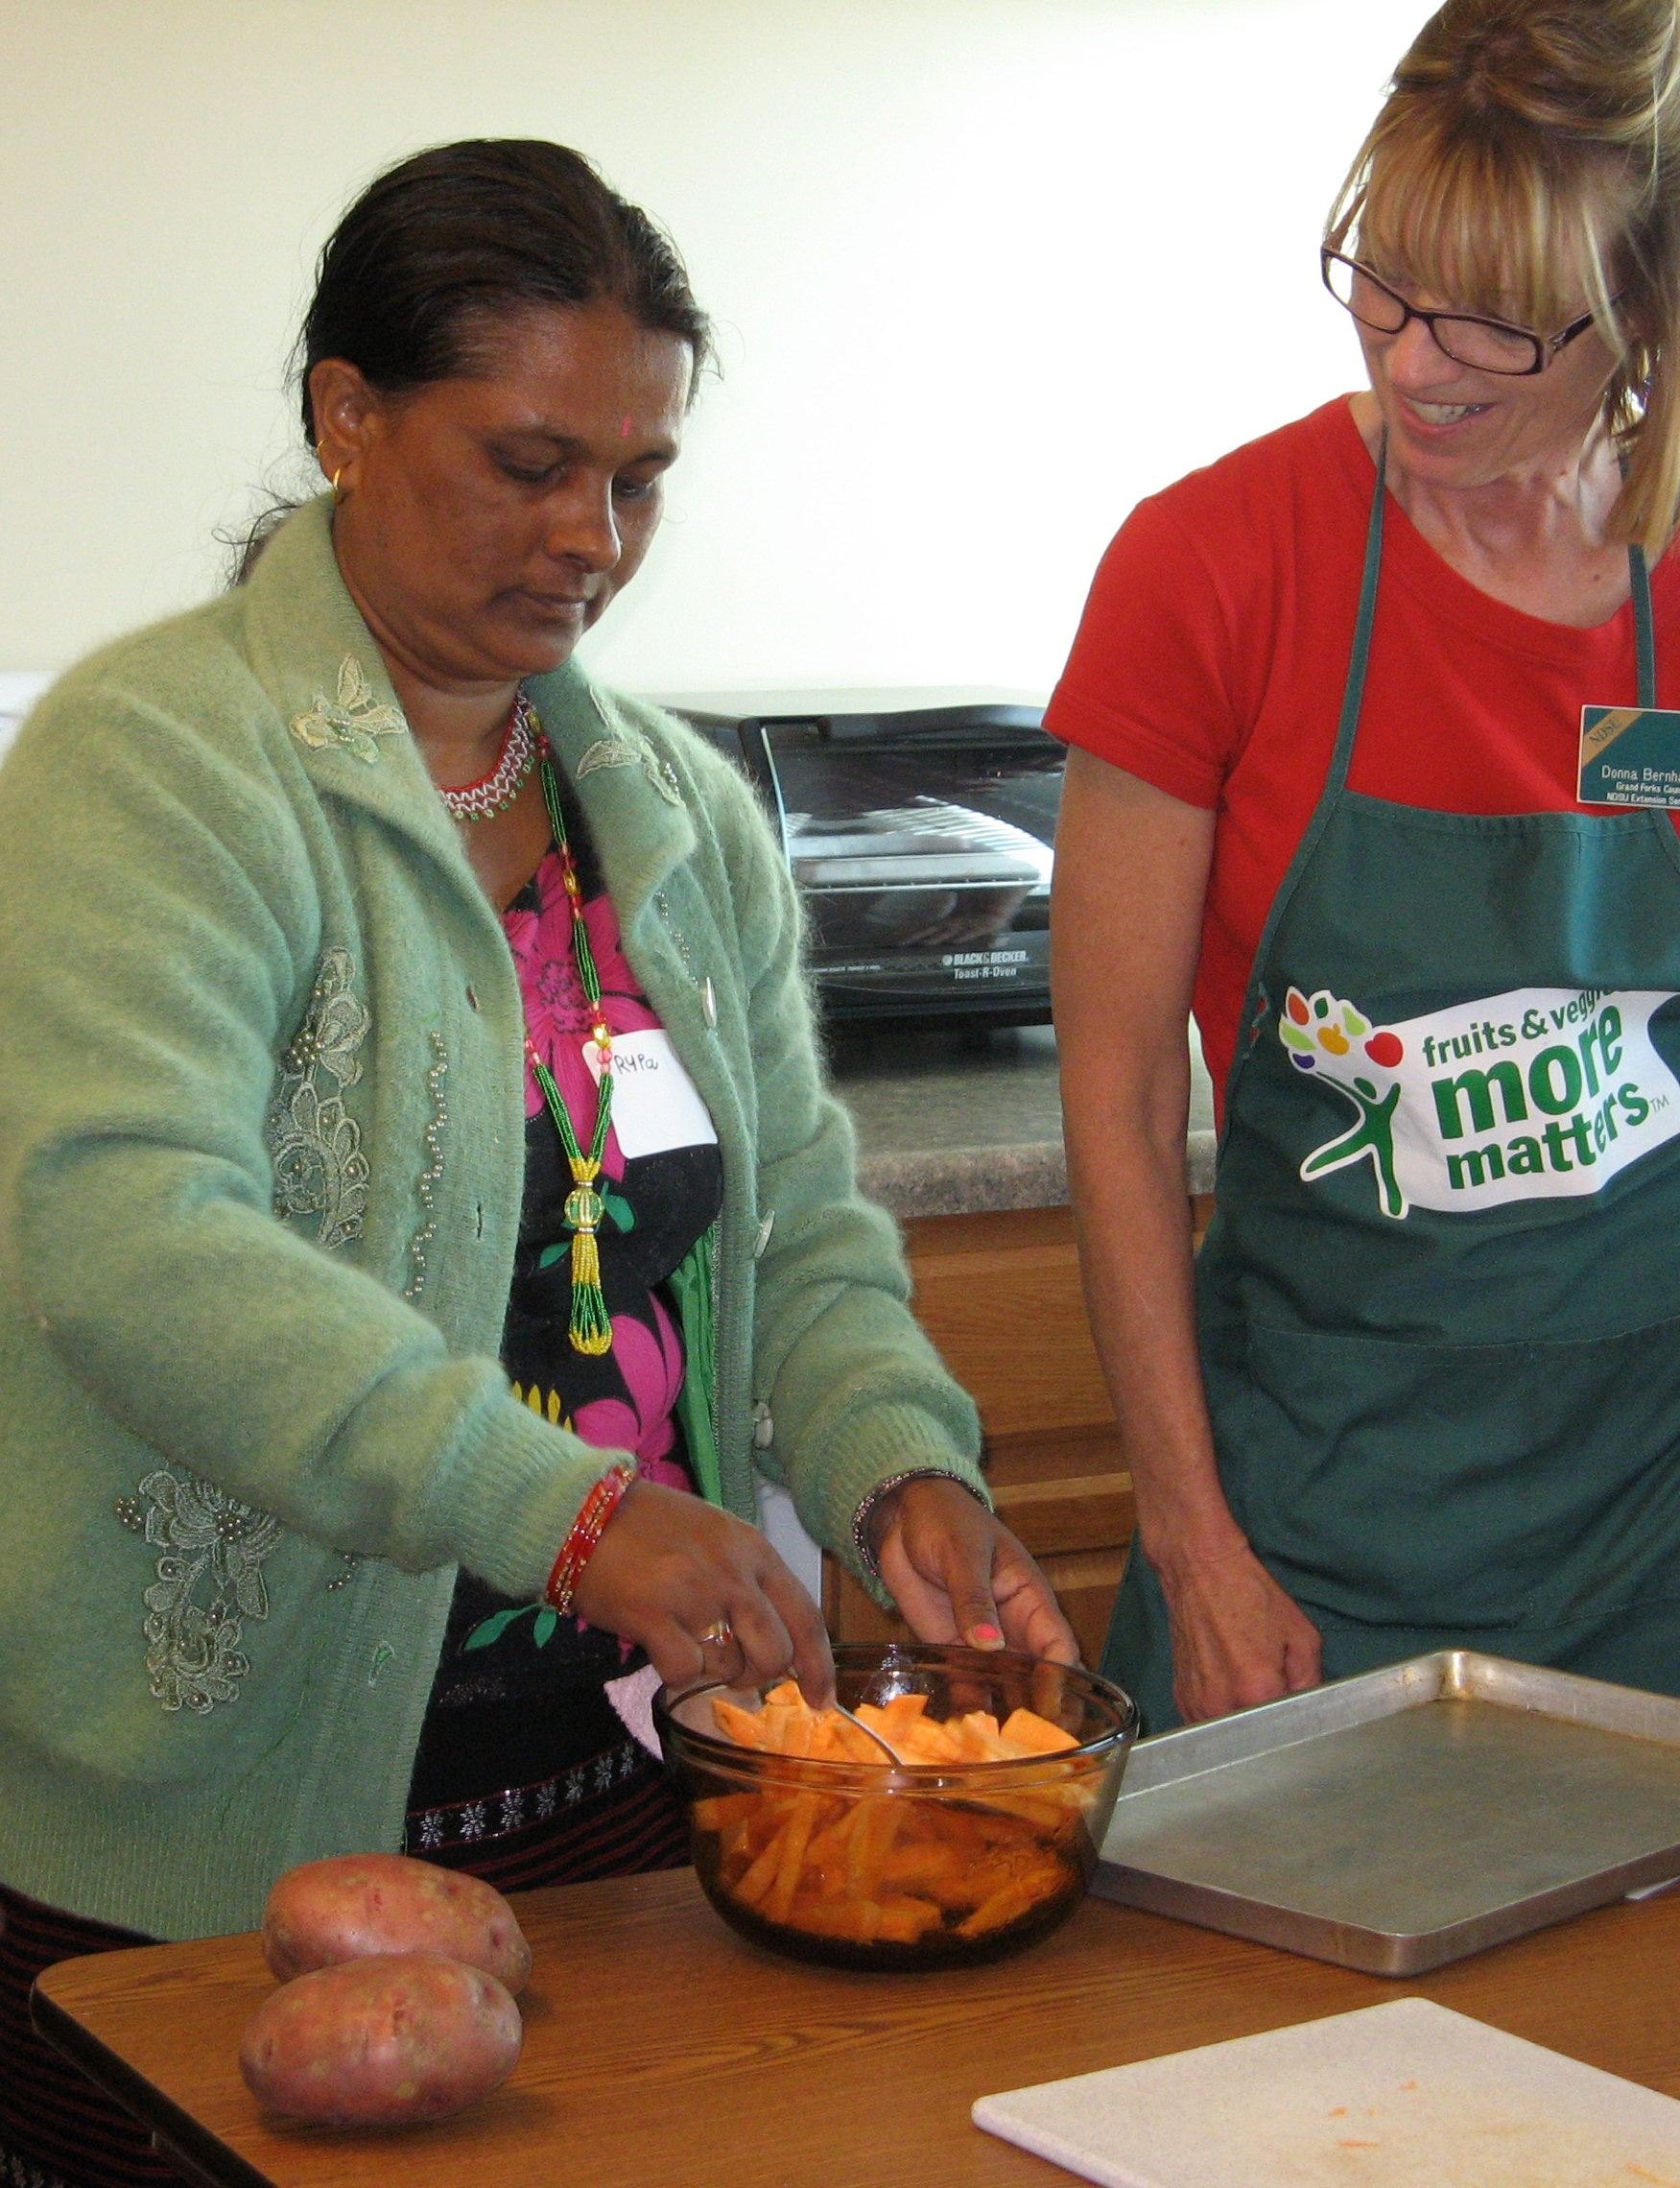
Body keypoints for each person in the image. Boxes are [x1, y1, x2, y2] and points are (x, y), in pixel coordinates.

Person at [0, 138, 1073, 2188]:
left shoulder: (669, 806)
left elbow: (801, 1231)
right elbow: (136, 1239)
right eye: (527, 461)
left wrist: (896, 1470)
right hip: (217, 1841)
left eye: (641, 476)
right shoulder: (153, 764)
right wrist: (573, 1518)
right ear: (343, 414)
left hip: (613, 1808)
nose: (591, 534)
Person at [1049, 0, 1680, 1738]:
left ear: (1647, 310)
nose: (1416, 361)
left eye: (1497, 320)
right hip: (1331, 1491)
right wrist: (1192, 1538)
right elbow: (1119, 1093)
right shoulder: (1211, 566)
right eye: (1388, 278)